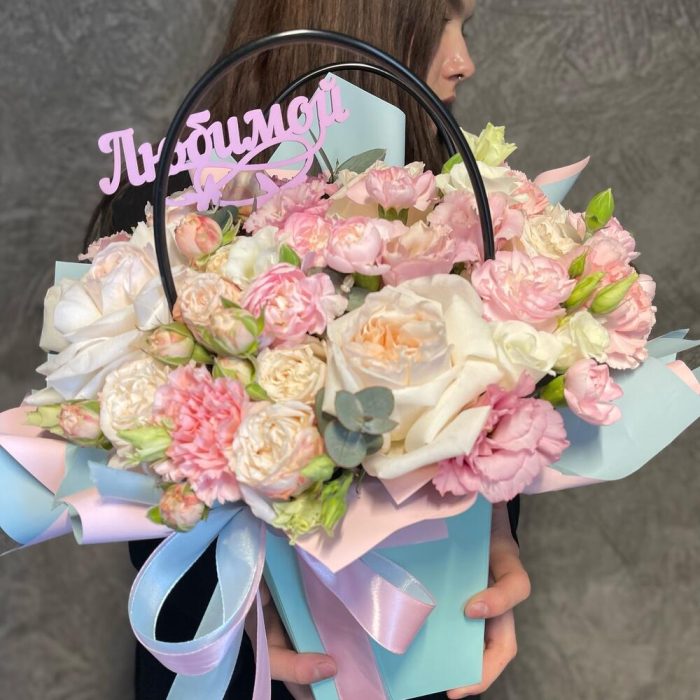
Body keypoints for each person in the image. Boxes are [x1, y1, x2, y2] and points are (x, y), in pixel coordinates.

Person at [89, 1, 531, 698]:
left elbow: (489, 403)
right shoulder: (164, 220)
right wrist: (240, 589)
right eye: (440, 23)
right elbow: (135, 472)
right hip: (233, 669)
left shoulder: (451, 203)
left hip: (421, 641)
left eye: (464, 28)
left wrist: (490, 529)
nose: (463, 62)